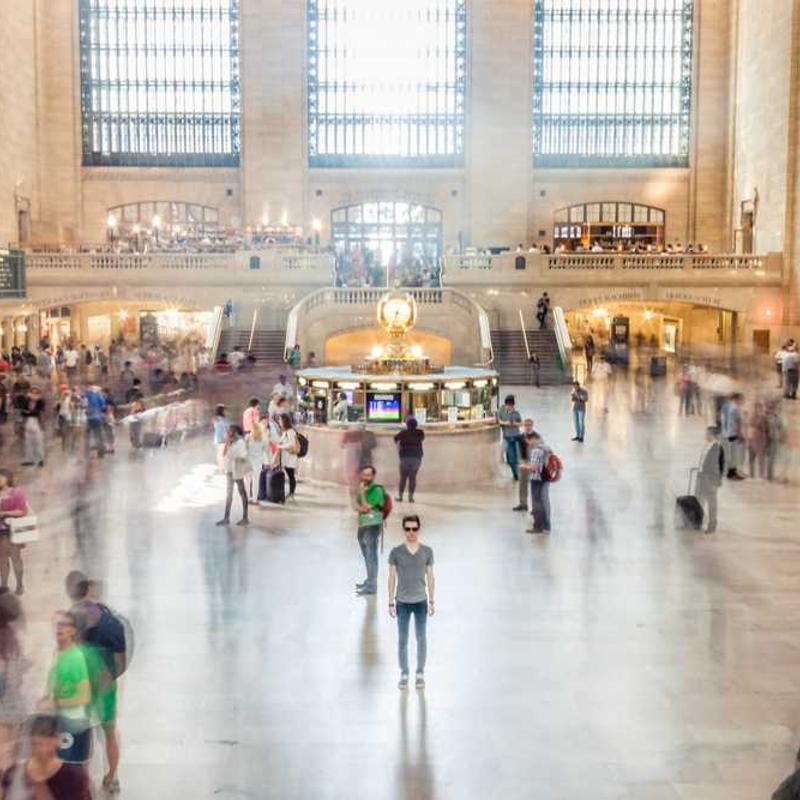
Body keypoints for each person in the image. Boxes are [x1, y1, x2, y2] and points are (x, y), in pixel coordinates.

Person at [66, 572, 124, 794]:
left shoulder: (72, 618)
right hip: (106, 685)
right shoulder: (110, 619)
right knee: (109, 732)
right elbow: (121, 660)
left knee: (81, 732)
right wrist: (110, 677)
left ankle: (82, 779)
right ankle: (112, 776)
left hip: (81, 685)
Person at [388, 514, 435, 690]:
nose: (411, 532)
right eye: (407, 529)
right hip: (402, 602)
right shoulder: (396, 552)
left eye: (414, 528)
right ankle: (404, 673)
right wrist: (390, 602)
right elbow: (391, 577)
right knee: (403, 639)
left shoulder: (427, 551)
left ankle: (420, 673)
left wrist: (432, 600)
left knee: (421, 638)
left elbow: (431, 577)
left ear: (419, 529)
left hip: (421, 601)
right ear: (403, 530)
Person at [41, 612, 93, 767]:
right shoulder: (57, 652)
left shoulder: (76, 657)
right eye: (58, 624)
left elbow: (84, 696)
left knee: (69, 770)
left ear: (73, 630)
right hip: (59, 720)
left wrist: (55, 703)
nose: (59, 628)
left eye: (64, 625)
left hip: (73, 723)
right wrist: (46, 697)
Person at [1, 714, 91, 799]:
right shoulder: (12, 774)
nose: (43, 746)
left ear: (58, 740)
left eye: (47, 737)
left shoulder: (73, 777)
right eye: (38, 739)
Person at [0, 594, 25, 770]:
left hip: (8, 700)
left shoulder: (8, 636)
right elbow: (13, 678)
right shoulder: (9, 638)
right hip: (8, 701)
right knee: (8, 753)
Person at [354, 465, 385, 596]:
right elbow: (356, 505)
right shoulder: (362, 488)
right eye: (363, 474)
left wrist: (362, 494)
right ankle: (369, 580)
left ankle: (372, 585)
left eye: (368, 475)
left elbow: (367, 507)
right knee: (366, 555)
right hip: (362, 524)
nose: (365, 477)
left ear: (373, 476)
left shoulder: (377, 490)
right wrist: (362, 507)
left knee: (371, 555)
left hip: (372, 526)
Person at [0, 469, 30, 596]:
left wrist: (5, 513)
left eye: (1, 477)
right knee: (2, 560)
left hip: (12, 531)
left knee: (15, 559)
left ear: (8, 478)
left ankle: (19, 585)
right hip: (1, 532)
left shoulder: (17, 492)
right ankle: (4, 585)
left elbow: (22, 511)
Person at [217, 425, 251, 526]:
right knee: (229, 494)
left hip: (237, 470)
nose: (228, 432)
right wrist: (227, 443)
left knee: (242, 492)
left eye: (230, 431)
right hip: (230, 470)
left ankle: (245, 518)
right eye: (228, 431)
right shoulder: (229, 442)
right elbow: (224, 454)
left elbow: (244, 455)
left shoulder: (241, 442)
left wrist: (234, 455)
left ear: (235, 432)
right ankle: (226, 518)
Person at [695, 426, 724, 533]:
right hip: (702, 477)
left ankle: (712, 525)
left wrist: (714, 480)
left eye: (707, 434)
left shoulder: (717, 448)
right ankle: (698, 522)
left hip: (710, 479)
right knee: (699, 500)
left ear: (712, 435)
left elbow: (719, 466)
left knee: (712, 503)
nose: (705, 435)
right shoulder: (707, 446)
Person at [522, 432, 551, 533]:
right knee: (544, 502)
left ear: (531, 440)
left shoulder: (535, 451)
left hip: (536, 479)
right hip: (545, 478)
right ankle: (546, 525)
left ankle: (537, 526)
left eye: (528, 441)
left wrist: (524, 467)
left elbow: (534, 467)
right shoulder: (545, 448)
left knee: (536, 503)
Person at [513, 418, 537, 511]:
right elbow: (517, 449)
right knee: (522, 484)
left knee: (535, 485)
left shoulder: (536, 437)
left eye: (529, 425)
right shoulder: (520, 437)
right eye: (526, 425)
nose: (527, 427)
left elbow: (541, 449)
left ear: (532, 426)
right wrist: (519, 462)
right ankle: (523, 504)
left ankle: (535, 507)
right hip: (523, 462)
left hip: (533, 463)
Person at [720, 393, 746, 479]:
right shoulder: (735, 409)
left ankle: (731, 472)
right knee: (734, 454)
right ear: (736, 399)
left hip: (726, 433)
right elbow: (737, 423)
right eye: (741, 399)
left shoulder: (726, 406)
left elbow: (722, 419)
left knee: (731, 453)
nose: (742, 401)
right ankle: (732, 473)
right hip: (733, 433)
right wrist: (740, 434)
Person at [497, 395, 523, 480]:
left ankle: (516, 474)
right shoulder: (501, 411)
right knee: (509, 457)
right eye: (508, 405)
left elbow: (521, 423)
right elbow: (498, 420)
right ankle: (515, 472)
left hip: (515, 436)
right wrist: (506, 423)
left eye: (511, 406)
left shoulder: (516, 413)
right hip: (507, 437)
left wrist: (514, 423)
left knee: (514, 457)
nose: (510, 407)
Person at [275, 414, 299, 499]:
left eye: (280, 420)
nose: (279, 422)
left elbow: (292, 444)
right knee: (289, 474)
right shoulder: (285, 431)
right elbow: (280, 441)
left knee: (291, 475)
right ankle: (291, 492)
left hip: (290, 456)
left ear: (284, 421)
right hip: (287, 457)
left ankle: (292, 492)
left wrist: (280, 446)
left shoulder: (290, 432)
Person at [20, 386, 45, 467]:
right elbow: (22, 412)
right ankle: (29, 460)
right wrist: (29, 412)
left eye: (36, 393)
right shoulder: (27, 401)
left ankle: (40, 460)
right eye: (32, 392)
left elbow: (38, 412)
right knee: (28, 442)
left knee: (39, 442)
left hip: (37, 422)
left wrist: (29, 412)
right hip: (28, 422)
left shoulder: (41, 401)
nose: (34, 395)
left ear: (38, 394)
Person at [246, 421, 267, 502]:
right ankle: (254, 499)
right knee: (256, 482)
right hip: (257, 463)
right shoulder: (262, 438)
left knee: (247, 481)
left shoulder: (248, 437)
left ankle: (247, 498)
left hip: (248, 462)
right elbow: (265, 449)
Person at [212, 405, 229, 472]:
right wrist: (226, 438)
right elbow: (223, 430)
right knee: (223, 455)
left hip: (218, 439)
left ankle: (221, 468)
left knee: (220, 454)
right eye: (225, 410)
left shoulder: (217, 419)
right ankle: (223, 469)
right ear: (222, 411)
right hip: (222, 439)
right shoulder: (221, 420)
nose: (226, 412)